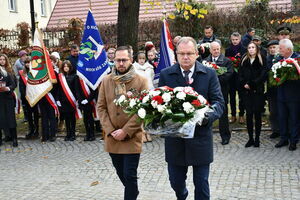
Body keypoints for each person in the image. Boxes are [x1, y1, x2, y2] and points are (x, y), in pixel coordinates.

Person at [158, 37, 224, 200]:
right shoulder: (166, 75)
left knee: (201, 183)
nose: (185, 57)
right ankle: (182, 194)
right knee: (176, 181)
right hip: (176, 139)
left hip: (200, 137)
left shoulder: (209, 74)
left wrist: (206, 117)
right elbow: (158, 103)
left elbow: (219, 102)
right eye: (182, 53)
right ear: (176, 55)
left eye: (189, 53)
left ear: (196, 54)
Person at [97, 46, 148, 200]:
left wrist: (125, 131)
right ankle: (133, 192)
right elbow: (101, 107)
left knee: (129, 175)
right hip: (112, 138)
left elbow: (143, 109)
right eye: (117, 60)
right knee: (121, 173)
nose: (120, 63)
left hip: (132, 137)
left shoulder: (141, 81)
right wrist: (111, 130)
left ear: (130, 60)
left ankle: (131, 195)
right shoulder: (106, 81)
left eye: (124, 60)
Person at [239, 42, 267, 148]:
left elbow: (263, 74)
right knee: (249, 114)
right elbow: (240, 74)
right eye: (249, 47)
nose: (251, 49)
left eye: (253, 47)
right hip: (246, 92)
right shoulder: (244, 59)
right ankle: (250, 138)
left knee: (257, 114)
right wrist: (244, 83)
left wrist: (252, 84)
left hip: (257, 91)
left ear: (256, 49)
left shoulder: (261, 59)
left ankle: (257, 138)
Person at [205, 41, 233, 145]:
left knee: (223, 114)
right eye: (214, 49)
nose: (216, 51)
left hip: (222, 91)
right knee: (207, 113)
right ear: (210, 50)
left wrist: (214, 78)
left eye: (218, 49)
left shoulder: (227, 61)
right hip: (208, 92)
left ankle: (225, 136)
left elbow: (229, 75)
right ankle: (206, 136)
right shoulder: (205, 61)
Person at [274, 39, 300, 151]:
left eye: (281, 48)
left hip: (294, 94)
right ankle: (283, 138)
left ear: (289, 49)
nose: (279, 50)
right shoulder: (278, 59)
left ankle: (293, 140)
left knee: (294, 118)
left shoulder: (298, 58)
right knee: (282, 117)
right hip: (281, 94)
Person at [225, 32, 246, 124]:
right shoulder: (228, 49)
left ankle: (241, 115)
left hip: (241, 76)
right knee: (232, 97)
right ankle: (233, 115)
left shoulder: (244, 49)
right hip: (231, 77)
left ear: (240, 39)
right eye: (233, 39)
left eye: (236, 39)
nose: (235, 41)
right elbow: (226, 62)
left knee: (241, 96)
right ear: (231, 39)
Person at [19, 57, 39, 139]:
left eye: (29, 62)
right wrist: (25, 96)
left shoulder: (35, 72)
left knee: (36, 114)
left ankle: (37, 130)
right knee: (29, 114)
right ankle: (31, 129)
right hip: (27, 97)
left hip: (35, 97)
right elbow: (21, 86)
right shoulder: (22, 73)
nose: (27, 64)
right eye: (26, 62)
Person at [57, 60, 78, 141]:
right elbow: (59, 89)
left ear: (70, 67)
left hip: (71, 100)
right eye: (64, 66)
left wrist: (76, 99)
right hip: (63, 100)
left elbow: (76, 89)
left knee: (72, 118)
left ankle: (73, 134)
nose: (66, 68)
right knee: (66, 118)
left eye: (67, 66)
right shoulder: (60, 77)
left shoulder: (74, 76)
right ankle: (68, 134)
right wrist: (58, 99)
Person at [0, 54, 18, 147]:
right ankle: (4, 137)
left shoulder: (10, 71)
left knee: (11, 119)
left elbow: (14, 84)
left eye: (4, 59)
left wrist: (7, 88)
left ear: (6, 61)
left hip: (8, 98)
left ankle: (14, 139)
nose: (2, 61)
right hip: (0, 99)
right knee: (1, 119)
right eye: (0, 59)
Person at [266, 40, 280, 139]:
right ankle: (275, 130)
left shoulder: (282, 58)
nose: (272, 49)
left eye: (274, 47)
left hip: (282, 88)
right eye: (270, 48)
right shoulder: (266, 59)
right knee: (273, 111)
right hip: (271, 89)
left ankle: (285, 129)